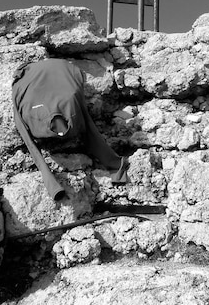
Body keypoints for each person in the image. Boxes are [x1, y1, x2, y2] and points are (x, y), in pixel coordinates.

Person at [12, 58, 129, 201]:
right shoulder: (30, 112)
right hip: (53, 75)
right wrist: (53, 186)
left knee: (76, 104)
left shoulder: (71, 106)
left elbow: (90, 130)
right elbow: (28, 141)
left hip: (65, 72)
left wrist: (115, 164)